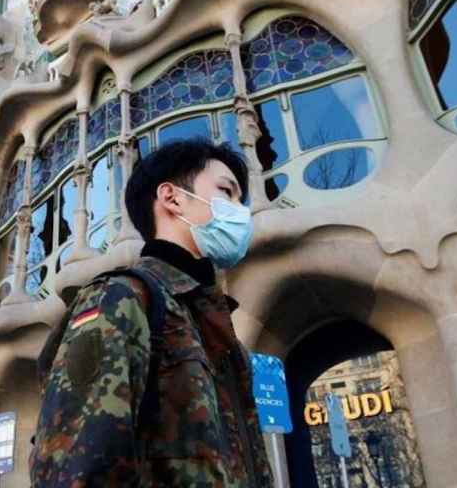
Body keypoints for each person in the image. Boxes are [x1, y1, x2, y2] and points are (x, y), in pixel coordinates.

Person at [30, 139, 274, 486]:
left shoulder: (208, 320)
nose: (241, 210)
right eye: (227, 192)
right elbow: (74, 467)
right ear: (172, 198)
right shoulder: (121, 298)